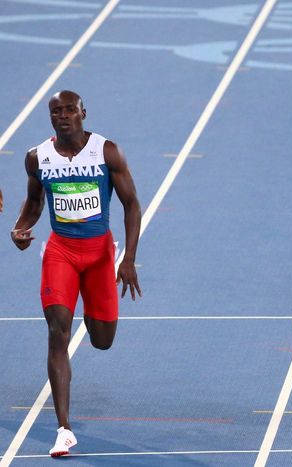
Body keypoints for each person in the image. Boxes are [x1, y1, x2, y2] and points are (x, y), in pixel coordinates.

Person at [11, 90, 142, 457]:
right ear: (50, 118)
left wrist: (128, 259)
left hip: (100, 255)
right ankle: (64, 429)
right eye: (56, 112)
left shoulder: (106, 152)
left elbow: (132, 205)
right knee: (57, 332)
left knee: (102, 339)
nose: (64, 116)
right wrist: (19, 229)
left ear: (84, 112)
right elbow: (35, 203)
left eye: (70, 110)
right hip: (61, 253)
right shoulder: (37, 158)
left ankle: (89, 302)